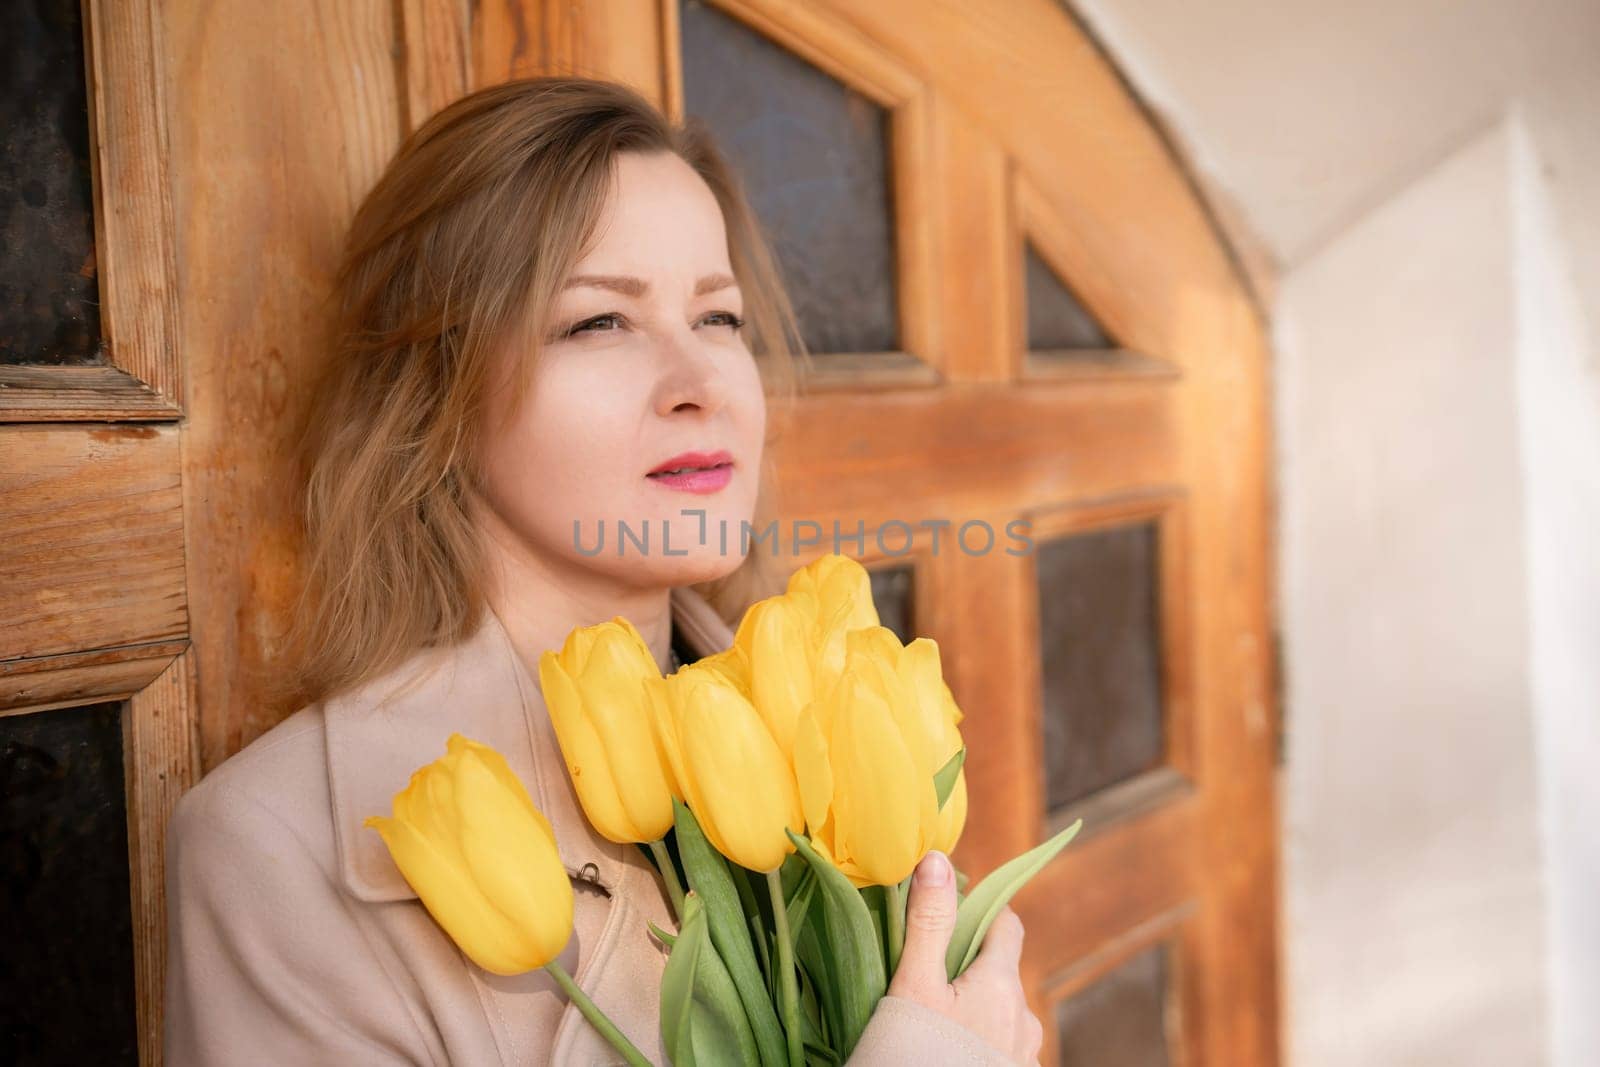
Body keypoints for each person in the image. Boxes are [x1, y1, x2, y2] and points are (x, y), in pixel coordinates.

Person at [162, 75, 1045, 1066]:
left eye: (719, 318)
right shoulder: (275, 849)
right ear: (436, 396)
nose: (700, 384)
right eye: (598, 322)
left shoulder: (835, 722)